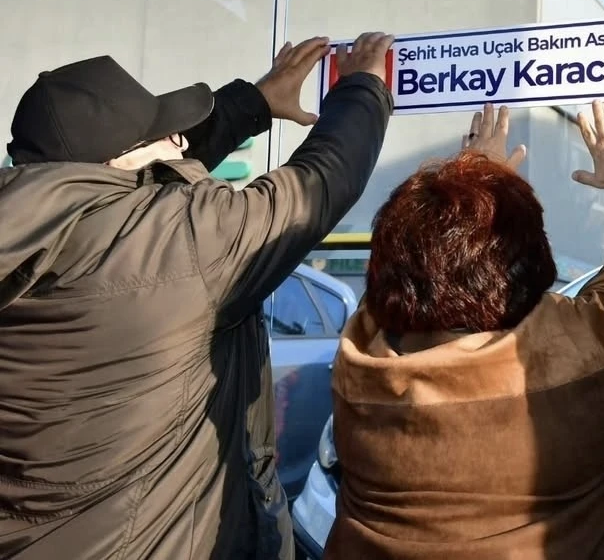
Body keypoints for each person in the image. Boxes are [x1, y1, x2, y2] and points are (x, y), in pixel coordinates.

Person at [0, 32, 396, 560]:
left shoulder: (27, 236)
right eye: (164, 135)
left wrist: (255, 104)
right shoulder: (176, 244)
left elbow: (126, 193)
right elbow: (318, 186)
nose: (181, 142)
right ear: (119, 163)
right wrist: (364, 86)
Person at [324, 101, 604, 560]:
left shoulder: (359, 368)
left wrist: (472, 182)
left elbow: (405, 271)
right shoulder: (579, 353)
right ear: (528, 263)